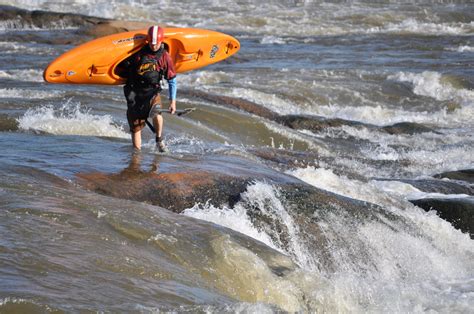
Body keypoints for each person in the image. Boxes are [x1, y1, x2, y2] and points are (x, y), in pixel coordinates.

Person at [123, 25, 177, 152]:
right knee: (136, 128)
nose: (154, 46)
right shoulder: (138, 53)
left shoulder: (165, 56)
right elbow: (124, 67)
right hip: (134, 94)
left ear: (161, 41)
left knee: (157, 114)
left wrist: (172, 102)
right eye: (151, 44)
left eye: (156, 44)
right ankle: (136, 156)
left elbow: (172, 80)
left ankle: (159, 140)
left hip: (152, 93)